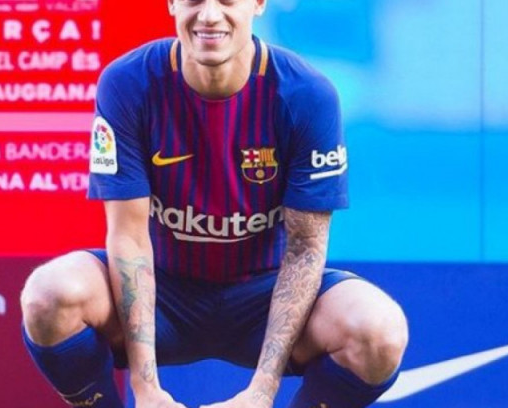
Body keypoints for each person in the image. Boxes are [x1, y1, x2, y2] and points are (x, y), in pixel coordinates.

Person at [20, 1, 409, 407]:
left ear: (258, 3)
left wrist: (261, 392)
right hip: (163, 293)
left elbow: (304, 248)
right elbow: (129, 238)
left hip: (265, 295)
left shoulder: (307, 93)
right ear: (171, 3)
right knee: (49, 296)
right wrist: (146, 389)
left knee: (379, 333)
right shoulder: (128, 82)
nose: (208, 15)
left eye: (226, 0)